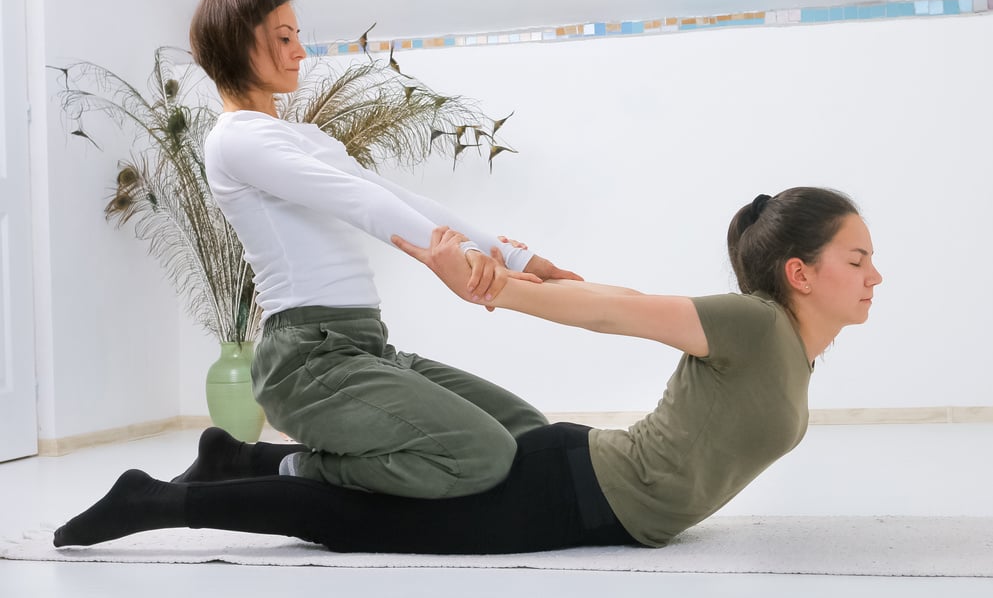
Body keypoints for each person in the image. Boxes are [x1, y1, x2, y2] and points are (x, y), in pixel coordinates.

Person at [53, 186, 882, 552]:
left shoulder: (791, 351)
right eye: (857, 259)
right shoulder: (753, 324)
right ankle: (159, 502)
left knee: (389, 495)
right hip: (577, 493)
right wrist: (500, 289)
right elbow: (615, 307)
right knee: (362, 522)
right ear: (799, 272)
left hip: (584, 485)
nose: (873, 276)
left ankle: (240, 459)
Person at [180, 0, 582, 500]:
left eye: (297, 35)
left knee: (527, 429)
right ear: (237, 42)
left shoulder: (304, 137)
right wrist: (455, 256)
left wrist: (516, 255)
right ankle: (297, 471)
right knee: (482, 454)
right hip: (305, 359)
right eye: (283, 38)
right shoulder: (233, 141)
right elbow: (359, 203)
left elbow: (399, 198)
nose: (300, 51)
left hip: (364, 345)